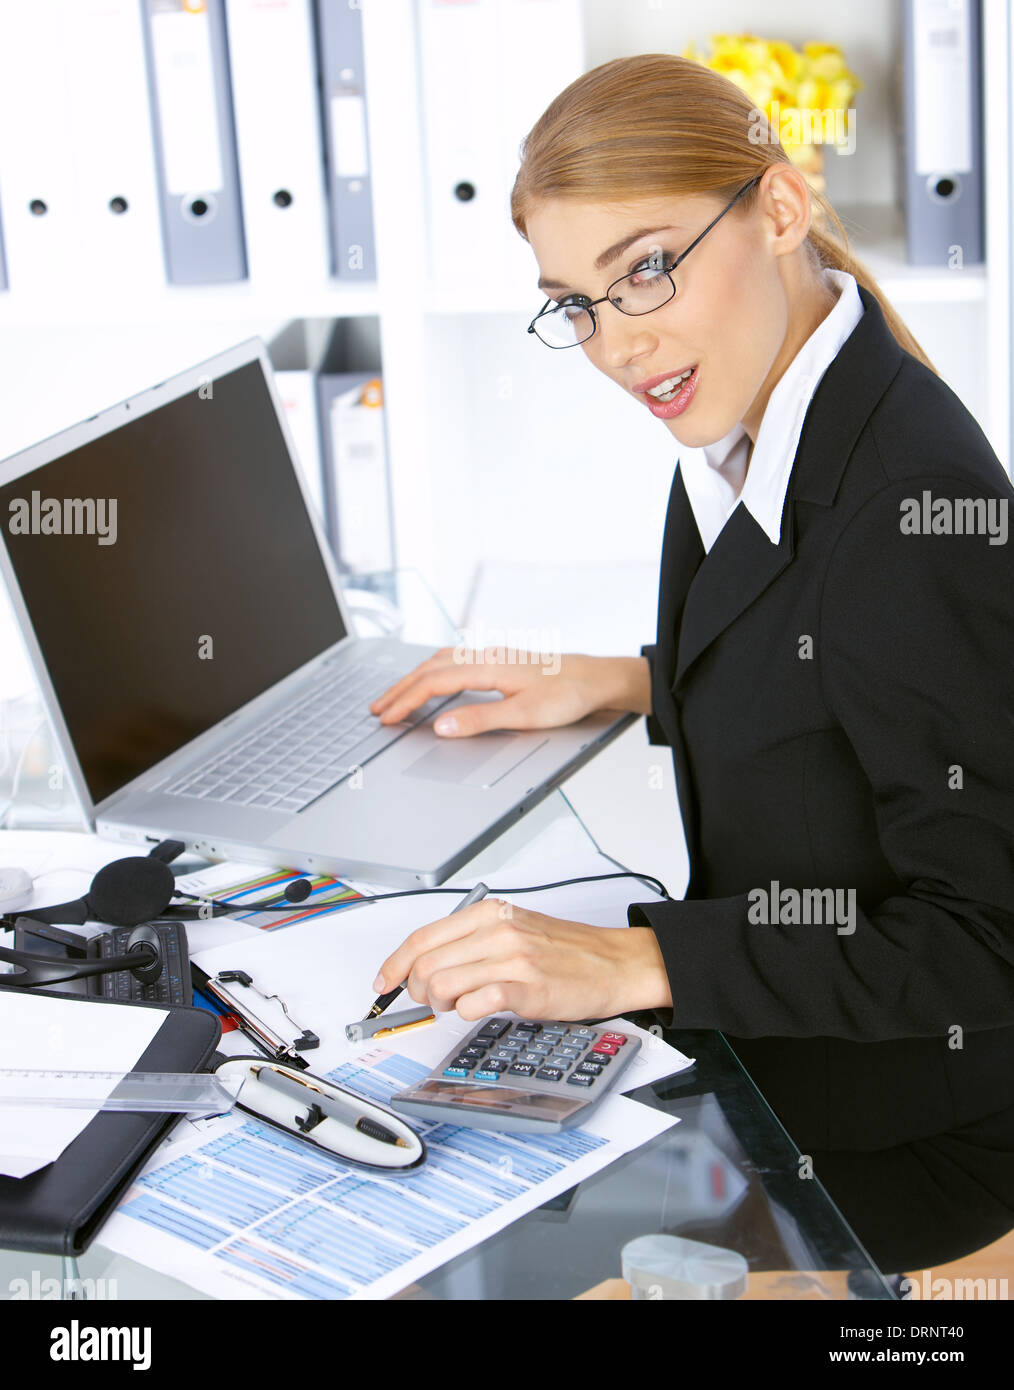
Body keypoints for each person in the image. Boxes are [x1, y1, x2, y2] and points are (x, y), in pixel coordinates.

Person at [368, 54, 1014, 1275]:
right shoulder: (756, 407)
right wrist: (637, 678)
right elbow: (843, 673)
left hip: (915, 1119)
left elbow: (991, 937)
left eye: (647, 268)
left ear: (777, 208)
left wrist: (639, 960)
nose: (619, 345)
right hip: (795, 1031)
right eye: (578, 303)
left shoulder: (912, 502)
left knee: (463, 1239)